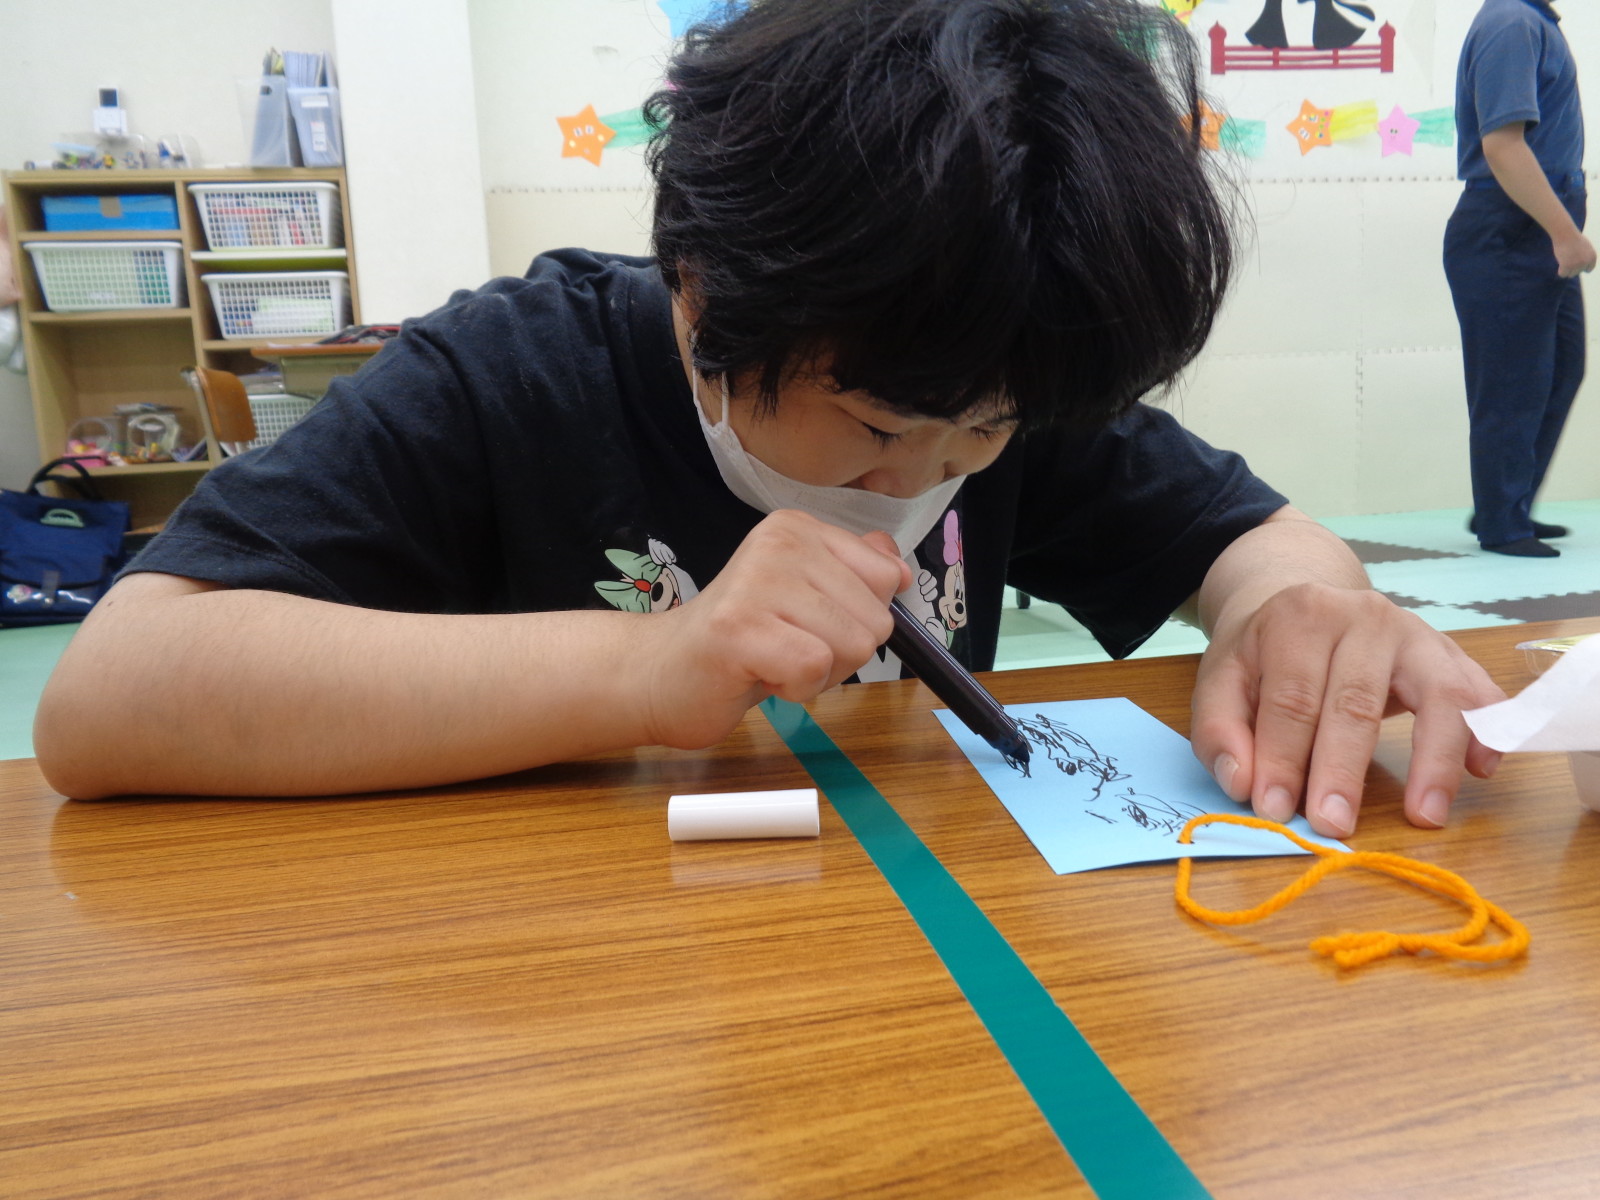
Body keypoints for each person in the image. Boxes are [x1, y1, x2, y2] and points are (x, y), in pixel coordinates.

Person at [36, 0, 1503, 839]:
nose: (930, 473)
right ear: (699, 288)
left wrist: (1296, 609)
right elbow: (106, 698)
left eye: (982, 436)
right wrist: (649, 667)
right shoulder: (508, 373)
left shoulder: (991, 360)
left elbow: (1253, 541)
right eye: (874, 427)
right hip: (557, 1007)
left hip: (888, 976)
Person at [1444, 0, 1593, 558]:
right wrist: (1564, 233)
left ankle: (1508, 503)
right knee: (1512, 382)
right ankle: (1502, 523)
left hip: (1533, 228)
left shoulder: (1532, 21)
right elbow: (1503, 146)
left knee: (1560, 368)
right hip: (1509, 229)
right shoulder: (1511, 21)